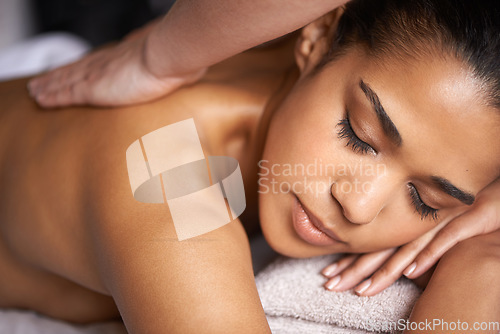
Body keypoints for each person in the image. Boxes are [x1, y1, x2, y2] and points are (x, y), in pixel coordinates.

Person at [1, 0, 499, 332]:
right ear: (317, 36)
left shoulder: (272, 47)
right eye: (360, 136)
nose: (359, 205)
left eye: (424, 200)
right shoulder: (166, 176)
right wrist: (480, 269)